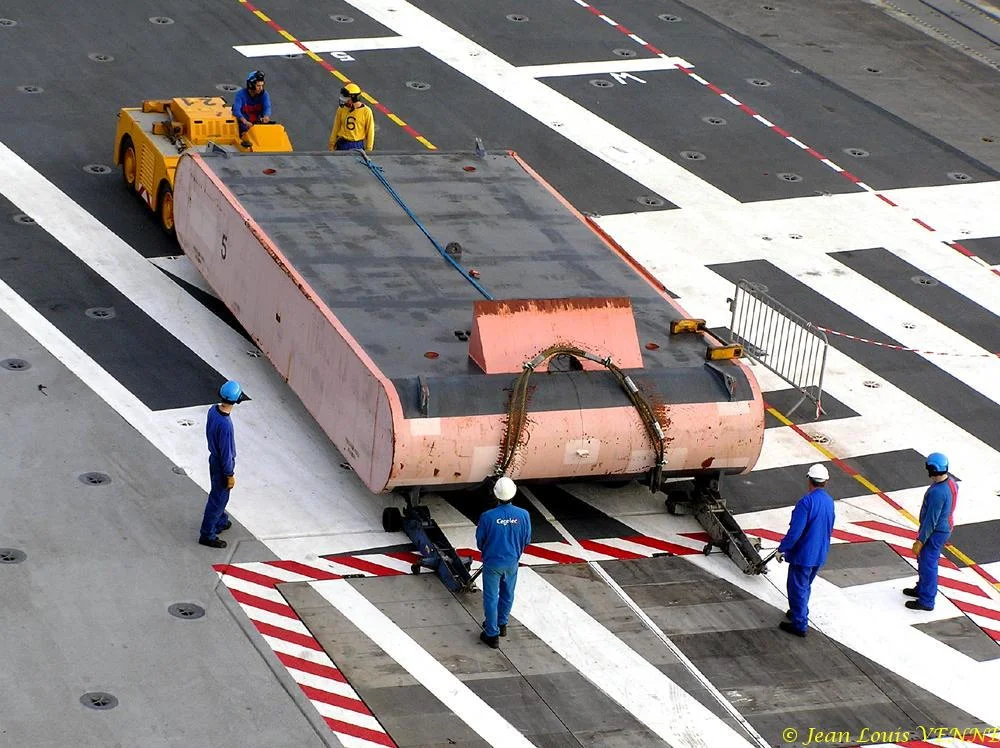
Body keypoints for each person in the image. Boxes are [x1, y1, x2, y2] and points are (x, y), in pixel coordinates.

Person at [776, 463, 836, 637]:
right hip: (820, 552)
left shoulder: (806, 502)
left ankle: (800, 624)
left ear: (809, 480)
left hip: (804, 555)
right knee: (805, 585)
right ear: (825, 482)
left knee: (797, 588)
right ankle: (797, 611)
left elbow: (795, 531)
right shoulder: (829, 501)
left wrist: (782, 548)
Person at [475, 476, 531, 648]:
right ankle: (502, 624)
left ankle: (492, 634)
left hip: (493, 563)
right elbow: (527, 539)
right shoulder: (524, 515)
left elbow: (480, 541)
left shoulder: (487, 517)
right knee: (508, 594)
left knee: (491, 598)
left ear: (495, 494)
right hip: (512, 561)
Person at [904, 452, 959, 611]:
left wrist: (920, 540)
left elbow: (931, 520)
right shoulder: (951, 483)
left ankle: (927, 600)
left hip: (936, 532)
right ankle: (921, 589)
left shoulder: (937, 492)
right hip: (944, 528)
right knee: (924, 560)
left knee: (928, 563)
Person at [199, 380, 242, 549]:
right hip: (222, 465)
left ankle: (221, 520)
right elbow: (226, 453)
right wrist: (229, 474)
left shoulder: (212, 411)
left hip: (213, 459)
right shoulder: (226, 425)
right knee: (218, 499)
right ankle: (208, 534)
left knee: (218, 494)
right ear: (237, 400)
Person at [327, 83, 375, 152]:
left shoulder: (366, 111)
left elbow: (370, 132)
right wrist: (332, 143)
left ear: (354, 98)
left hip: (357, 145)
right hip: (342, 144)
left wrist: (369, 149)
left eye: (347, 99)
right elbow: (336, 128)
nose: (344, 101)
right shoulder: (341, 109)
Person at [233, 70, 271, 141]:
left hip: (258, 124)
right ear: (251, 85)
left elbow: (267, 107)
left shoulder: (264, 95)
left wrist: (266, 116)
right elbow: (236, 110)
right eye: (258, 86)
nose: (261, 88)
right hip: (243, 124)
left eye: (262, 85)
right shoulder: (240, 94)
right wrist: (245, 121)